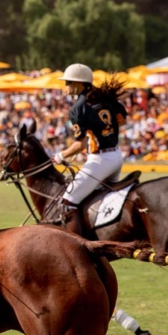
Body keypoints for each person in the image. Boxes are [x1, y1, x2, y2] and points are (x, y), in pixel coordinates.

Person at [53, 63, 127, 223]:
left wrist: (59, 156)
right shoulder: (104, 98)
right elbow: (121, 120)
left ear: (79, 83)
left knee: (66, 204)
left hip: (100, 160)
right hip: (116, 156)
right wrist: (103, 130)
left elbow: (79, 146)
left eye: (68, 82)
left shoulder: (78, 108)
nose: (65, 86)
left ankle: (76, 245)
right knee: (101, 203)